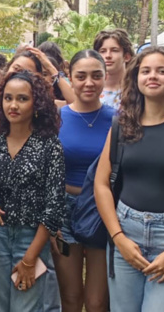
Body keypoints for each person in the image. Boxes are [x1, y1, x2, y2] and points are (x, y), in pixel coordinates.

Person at [95, 46, 164, 312]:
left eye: (161, 71)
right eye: (145, 71)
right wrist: (118, 237)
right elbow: (101, 184)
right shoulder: (122, 124)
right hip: (126, 232)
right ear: (136, 78)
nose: (152, 76)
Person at [0, 70, 66, 311]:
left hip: (31, 236)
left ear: (37, 103)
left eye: (22, 99)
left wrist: (30, 257)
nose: (13, 105)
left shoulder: (49, 144)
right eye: (8, 98)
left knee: (26, 306)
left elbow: (54, 204)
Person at [54, 50, 115, 312]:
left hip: (102, 210)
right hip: (63, 211)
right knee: (70, 296)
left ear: (105, 77)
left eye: (96, 76)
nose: (89, 83)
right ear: (70, 77)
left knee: (97, 301)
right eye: (81, 76)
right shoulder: (56, 119)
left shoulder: (119, 119)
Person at [93, 29, 133, 110]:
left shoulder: (137, 89)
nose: (108, 55)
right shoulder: (90, 89)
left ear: (126, 56)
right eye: (103, 51)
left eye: (114, 50)